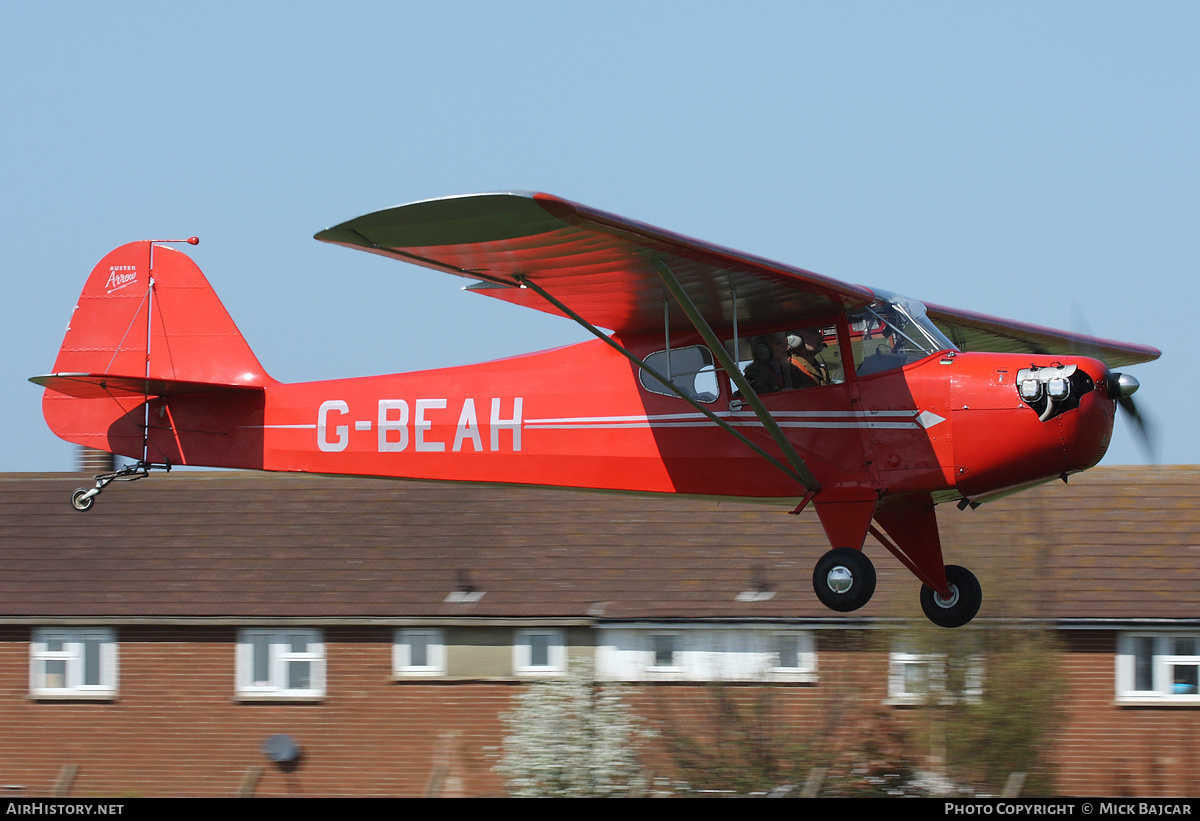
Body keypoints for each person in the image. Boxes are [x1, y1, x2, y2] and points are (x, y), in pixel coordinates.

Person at [743, 333, 813, 393]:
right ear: (763, 348)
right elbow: (757, 401)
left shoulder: (793, 370)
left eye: (785, 341)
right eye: (778, 342)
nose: (785, 345)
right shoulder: (756, 374)